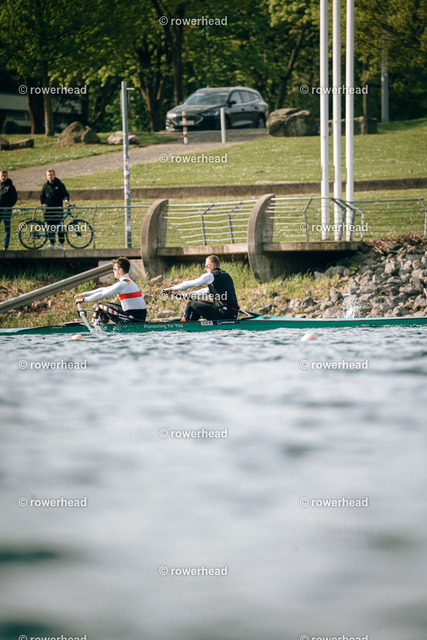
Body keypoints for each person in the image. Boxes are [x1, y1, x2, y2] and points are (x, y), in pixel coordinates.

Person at [162, 255, 239, 322]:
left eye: (206, 266)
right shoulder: (226, 275)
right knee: (197, 302)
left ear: (212, 265)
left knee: (191, 304)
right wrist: (190, 294)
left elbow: (190, 283)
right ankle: (192, 323)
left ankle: (184, 324)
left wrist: (171, 289)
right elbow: (206, 291)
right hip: (232, 314)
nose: (205, 269)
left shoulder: (211, 275)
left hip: (223, 314)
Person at [74, 257, 147, 324]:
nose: (113, 271)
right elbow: (104, 289)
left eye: (114, 269)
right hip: (138, 316)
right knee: (104, 305)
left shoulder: (122, 284)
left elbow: (102, 294)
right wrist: (84, 294)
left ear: (120, 270)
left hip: (132, 319)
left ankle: (93, 326)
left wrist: (84, 300)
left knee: (100, 306)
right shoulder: (128, 282)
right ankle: (100, 326)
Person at [40, 169, 70, 249]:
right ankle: (52, 243)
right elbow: (42, 196)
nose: (50, 176)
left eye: (51, 175)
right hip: (48, 210)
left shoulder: (60, 184)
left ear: (54, 175)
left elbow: (65, 194)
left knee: (60, 226)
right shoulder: (45, 186)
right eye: (48, 175)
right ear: (47, 176)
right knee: (50, 227)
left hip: (58, 209)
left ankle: (61, 243)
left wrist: (66, 200)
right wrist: (43, 203)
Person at [0, 170, 18, 250]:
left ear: (7, 176)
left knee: (7, 228)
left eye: (4, 175)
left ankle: (6, 246)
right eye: (2, 176)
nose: (3, 177)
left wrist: (8, 206)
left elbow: (14, 198)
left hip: (6, 210)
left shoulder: (10, 186)